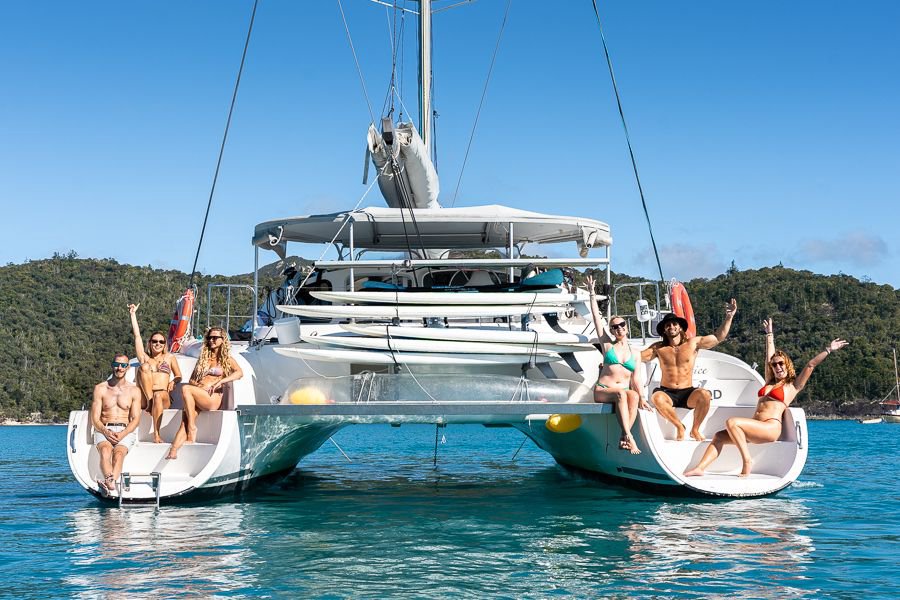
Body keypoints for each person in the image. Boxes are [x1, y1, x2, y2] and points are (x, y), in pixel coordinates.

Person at [686, 318, 848, 477]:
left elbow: (810, 365)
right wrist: (769, 335)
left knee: (732, 422)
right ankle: (700, 468)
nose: (778, 367)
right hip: (755, 427)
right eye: (775, 365)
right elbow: (768, 357)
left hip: (770, 428)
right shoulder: (768, 382)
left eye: (781, 364)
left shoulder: (793, 386)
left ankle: (747, 461)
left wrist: (829, 349)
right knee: (719, 436)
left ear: (787, 365)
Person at [640, 298, 738, 441]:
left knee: (704, 394)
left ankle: (695, 430)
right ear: (664, 330)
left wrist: (729, 317)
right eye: (668, 325)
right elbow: (637, 357)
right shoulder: (658, 348)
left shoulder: (693, 344)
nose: (671, 326)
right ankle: (679, 426)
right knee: (656, 397)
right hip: (667, 392)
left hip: (688, 392)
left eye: (674, 324)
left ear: (680, 328)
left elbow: (718, 337)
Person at [586, 275, 651, 454]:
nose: (619, 328)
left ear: (627, 327)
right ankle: (629, 437)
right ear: (612, 331)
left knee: (634, 396)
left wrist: (643, 398)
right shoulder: (608, 345)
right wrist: (592, 294)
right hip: (603, 390)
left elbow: (636, 380)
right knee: (623, 394)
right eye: (615, 327)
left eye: (622, 325)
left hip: (622, 392)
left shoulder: (635, 353)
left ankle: (624, 436)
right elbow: (597, 320)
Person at [166, 327, 243, 459]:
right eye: (209, 338)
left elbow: (239, 373)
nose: (211, 340)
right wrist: (199, 385)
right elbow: (191, 380)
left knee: (186, 389)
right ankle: (173, 451)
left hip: (212, 398)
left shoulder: (227, 359)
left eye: (215, 338)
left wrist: (221, 381)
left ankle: (192, 427)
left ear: (222, 340)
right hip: (200, 394)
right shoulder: (203, 359)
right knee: (184, 419)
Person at [129, 303, 182, 443]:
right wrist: (133, 315)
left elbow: (178, 375)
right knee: (144, 367)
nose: (157, 344)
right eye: (154, 341)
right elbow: (137, 337)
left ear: (165, 344)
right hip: (147, 397)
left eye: (161, 341)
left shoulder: (170, 358)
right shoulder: (145, 358)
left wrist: (173, 381)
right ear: (150, 343)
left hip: (163, 396)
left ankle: (156, 434)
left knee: (158, 395)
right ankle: (150, 402)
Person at [90, 353, 142, 496]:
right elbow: (95, 418)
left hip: (125, 430)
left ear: (128, 367)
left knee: (118, 454)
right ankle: (110, 482)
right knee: (105, 451)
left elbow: (136, 419)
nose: (119, 368)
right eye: (116, 365)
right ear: (112, 366)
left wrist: (122, 434)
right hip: (104, 428)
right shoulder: (100, 388)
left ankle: (109, 483)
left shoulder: (134, 390)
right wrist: (106, 432)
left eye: (123, 365)